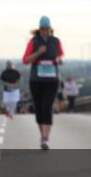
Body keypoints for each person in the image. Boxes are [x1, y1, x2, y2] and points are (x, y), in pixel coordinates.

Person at [22, 17, 64, 150]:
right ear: (39, 30)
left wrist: (59, 60)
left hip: (52, 80)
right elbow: (26, 60)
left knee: (47, 106)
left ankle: (46, 138)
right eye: (43, 29)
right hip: (36, 80)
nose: (45, 31)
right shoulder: (33, 41)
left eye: (47, 29)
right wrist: (38, 53)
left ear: (51, 29)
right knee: (39, 109)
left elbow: (60, 56)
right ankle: (42, 135)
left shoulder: (56, 41)